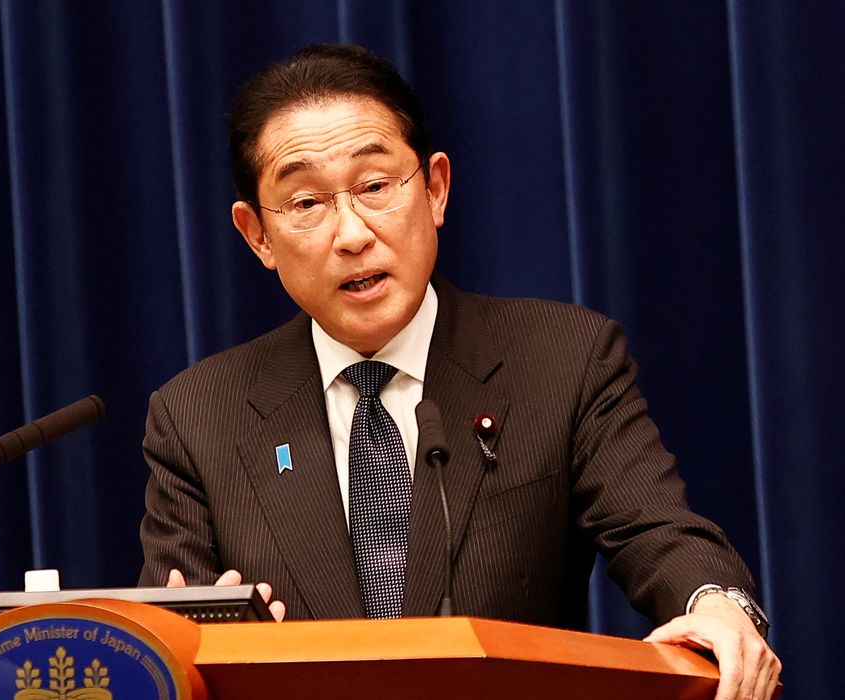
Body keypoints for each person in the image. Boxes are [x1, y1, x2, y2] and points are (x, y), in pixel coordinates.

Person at [138, 44, 780, 700]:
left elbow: (659, 532)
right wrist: (199, 646)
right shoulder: (197, 416)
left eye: (374, 186)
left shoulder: (560, 361)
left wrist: (715, 606)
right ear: (257, 236)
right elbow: (167, 635)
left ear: (435, 189)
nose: (351, 233)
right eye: (305, 203)